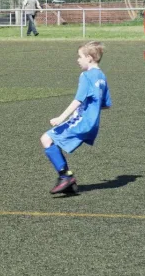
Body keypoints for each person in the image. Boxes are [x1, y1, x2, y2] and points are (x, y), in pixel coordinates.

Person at [40, 41, 112, 194]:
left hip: (82, 121)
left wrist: (61, 118)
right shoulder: (102, 76)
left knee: (46, 139)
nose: (77, 60)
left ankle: (65, 177)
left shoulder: (86, 75)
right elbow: (106, 104)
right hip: (93, 124)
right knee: (52, 141)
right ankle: (68, 179)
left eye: (80, 57)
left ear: (89, 58)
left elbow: (77, 100)